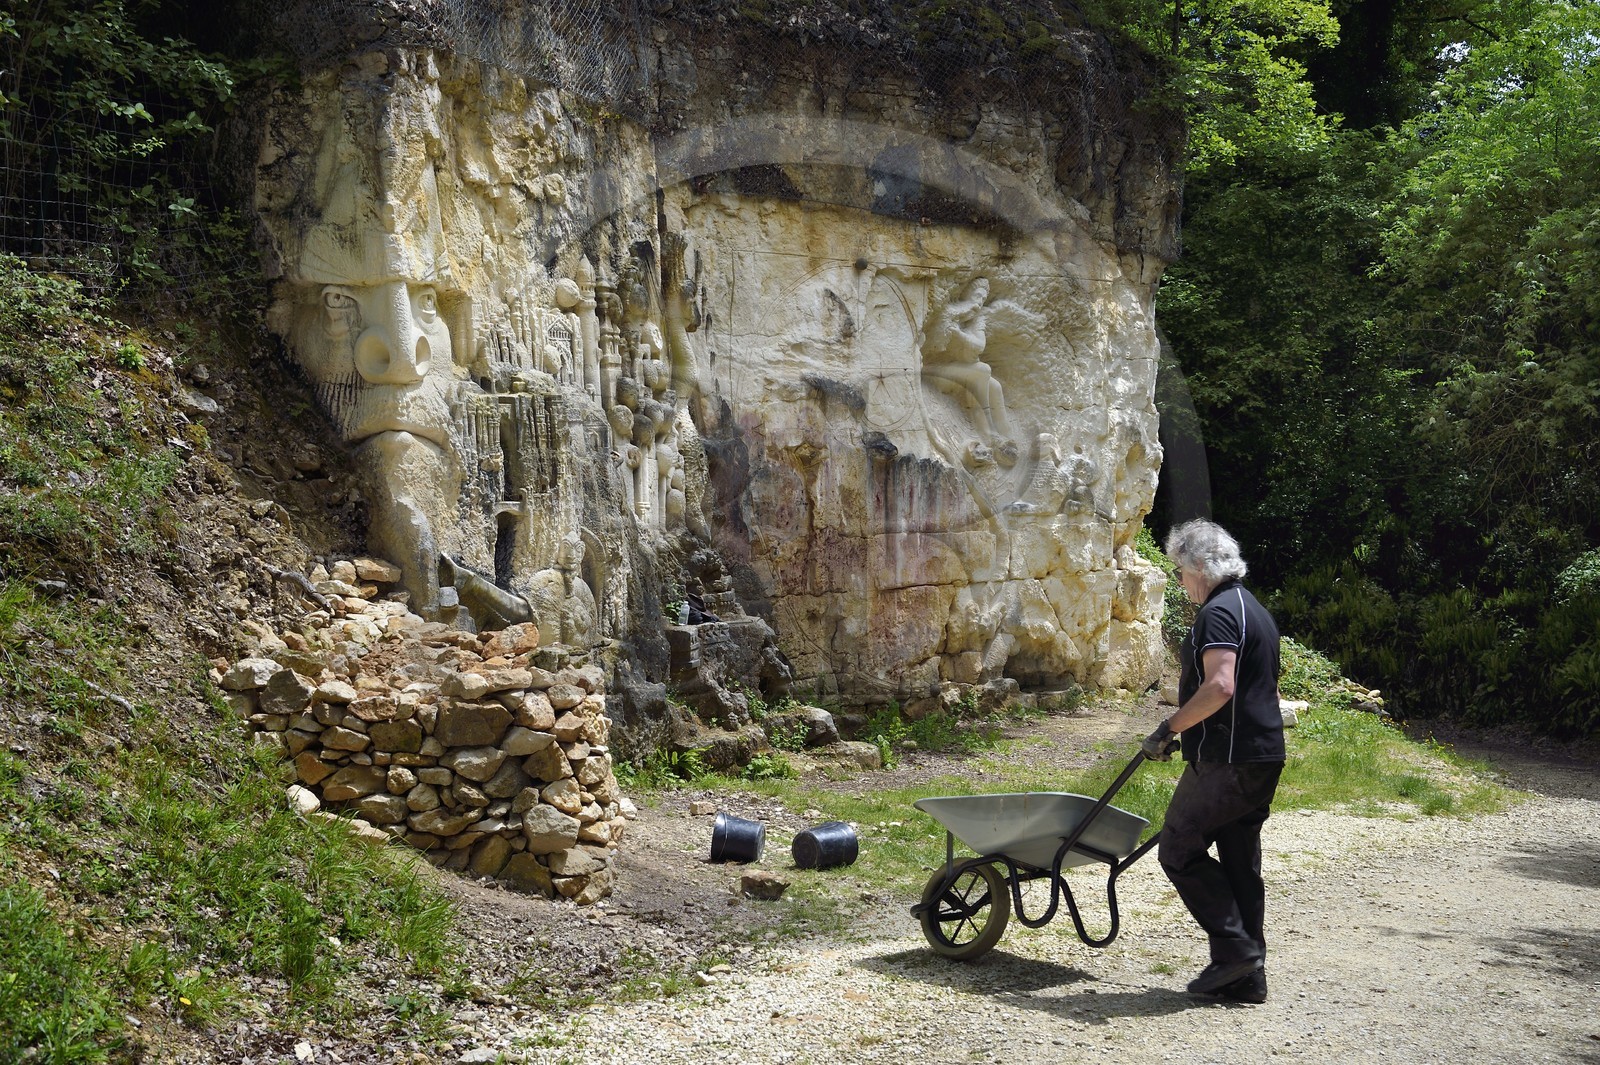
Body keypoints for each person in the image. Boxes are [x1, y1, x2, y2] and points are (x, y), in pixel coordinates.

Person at [1140, 519, 1284, 1003]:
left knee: (1179, 848)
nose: (1181, 582)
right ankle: (1247, 978)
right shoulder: (1255, 611)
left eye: (1181, 571)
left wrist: (1170, 728)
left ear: (1201, 567)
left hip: (1229, 761)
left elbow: (1220, 686)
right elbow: (1264, 689)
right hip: (1262, 756)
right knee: (1241, 862)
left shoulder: (1219, 613)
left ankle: (1234, 949)